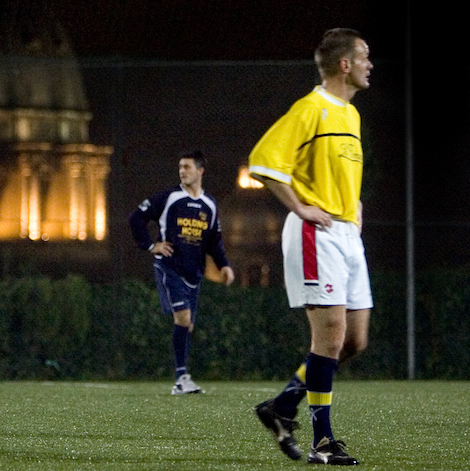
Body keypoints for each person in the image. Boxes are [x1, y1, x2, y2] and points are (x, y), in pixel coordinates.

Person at [248, 28, 373, 466]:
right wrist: (300, 208)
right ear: (345, 65)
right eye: (364, 57)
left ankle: (282, 407)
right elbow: (263, 161)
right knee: (331, 335)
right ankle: (323, 441)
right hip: (314, 234)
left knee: (353, 342)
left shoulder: (350, 115)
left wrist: (352, 201)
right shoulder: (310, 109)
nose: (369, 65)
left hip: (346, 234)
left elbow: (337, 173)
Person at [129, 150, 235, 395]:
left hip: (193, 271)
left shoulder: (209, 204)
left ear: (200, 171)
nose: (182, 171)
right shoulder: (169, 197)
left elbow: (214, 241)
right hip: (169, 267)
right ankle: (181, 378)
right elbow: (136, 218)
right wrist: (150, 245)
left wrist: (224, 265)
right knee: (183, 319)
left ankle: (183, 377)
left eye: (187, 167)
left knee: (188, 325)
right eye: (180, 167)